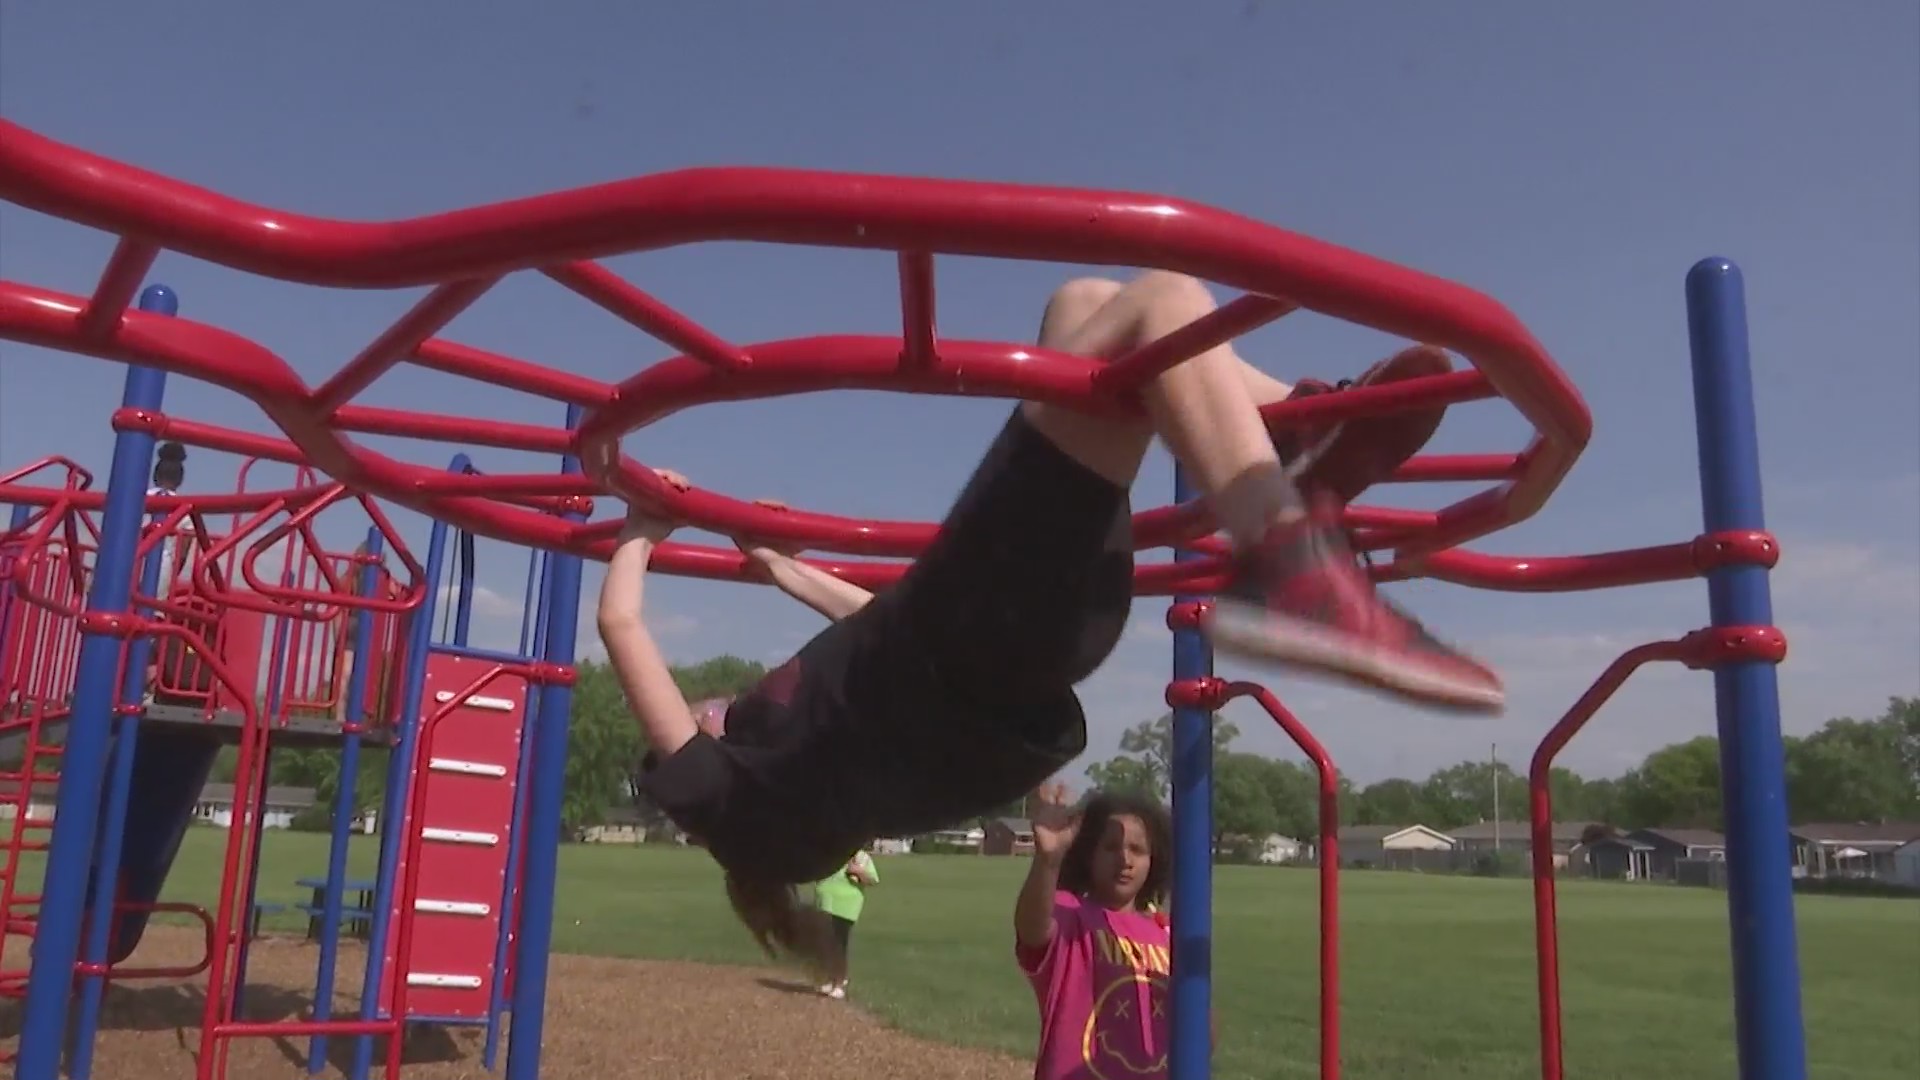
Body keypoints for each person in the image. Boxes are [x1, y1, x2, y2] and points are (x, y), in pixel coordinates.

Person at [597, 270, 1503, 971]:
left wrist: (778, 564)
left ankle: (1292, 441)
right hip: (981, 626)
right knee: (1164, 302)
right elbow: (623, 630)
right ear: (695, 766)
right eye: (697, 719)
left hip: (1034, 638)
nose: (706, 706)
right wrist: (643, 529)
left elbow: (875, 621)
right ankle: (1291, 555)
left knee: (1084, 310)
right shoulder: (730, 796)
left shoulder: (823, 750)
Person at [1015, 782, 1178, 1080]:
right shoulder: (1072, 916)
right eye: (1111, 847)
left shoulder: (1166, 934)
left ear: (1154, 860)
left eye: (1137, 850)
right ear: (1088, 853)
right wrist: (1047, 862)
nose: (1125, 860)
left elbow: (1204, 1036)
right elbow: (1032, 928)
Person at [809, 847, 880, 999]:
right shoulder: (829, 853)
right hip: (824, 903)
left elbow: (873, 880)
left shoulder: (861, 857)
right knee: (824, 942)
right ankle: (830, 977)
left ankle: (839, 982)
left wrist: (858, 872)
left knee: (839, 943)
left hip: (845, 906)